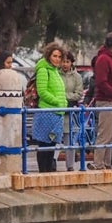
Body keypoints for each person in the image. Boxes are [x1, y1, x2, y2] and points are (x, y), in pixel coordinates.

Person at [90, 32, 112, 170]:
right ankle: (98, 163)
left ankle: (106, 162)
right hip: (107, 100)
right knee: (104, 134)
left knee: (111, 135)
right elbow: (102, 82)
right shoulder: (104, 59)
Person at [31, 43, 67, 173]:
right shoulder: (43, 70)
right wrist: (56, 101)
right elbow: (42, 91)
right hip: (47, 112)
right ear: (48, 56)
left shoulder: (55, 71)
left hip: (57, 113)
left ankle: (48, 171)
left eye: (59, 56)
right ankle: (43, 171)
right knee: (44, 144)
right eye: (54, 56)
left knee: (52, 145)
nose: (57, 59)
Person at [59, 50, 84, 171]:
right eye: (63, 61)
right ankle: (52, 163)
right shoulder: (55, 74)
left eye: (67, 62)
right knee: (55, 139)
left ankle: (70, 166)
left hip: (70, 111)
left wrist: (63, 96)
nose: (65, 64)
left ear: (71, 63)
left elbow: (78, 94)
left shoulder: (77, 77)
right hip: (57, 110)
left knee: (70, 139)